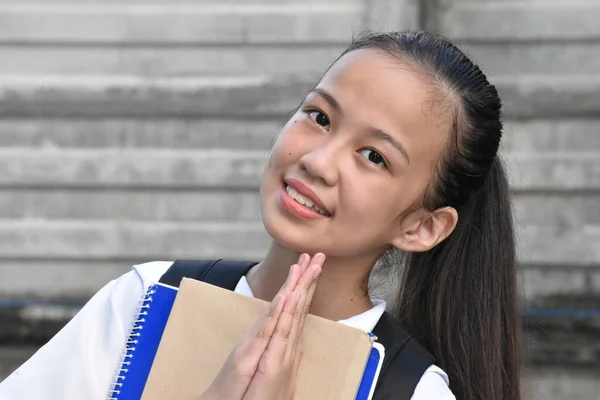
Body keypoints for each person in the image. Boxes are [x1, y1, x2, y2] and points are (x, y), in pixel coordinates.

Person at [0, 30, 522, 400]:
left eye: (374, 157)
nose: (317, 161)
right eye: (319, 117)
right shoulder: (146, 300)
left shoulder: (411, 391)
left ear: (423, 226)